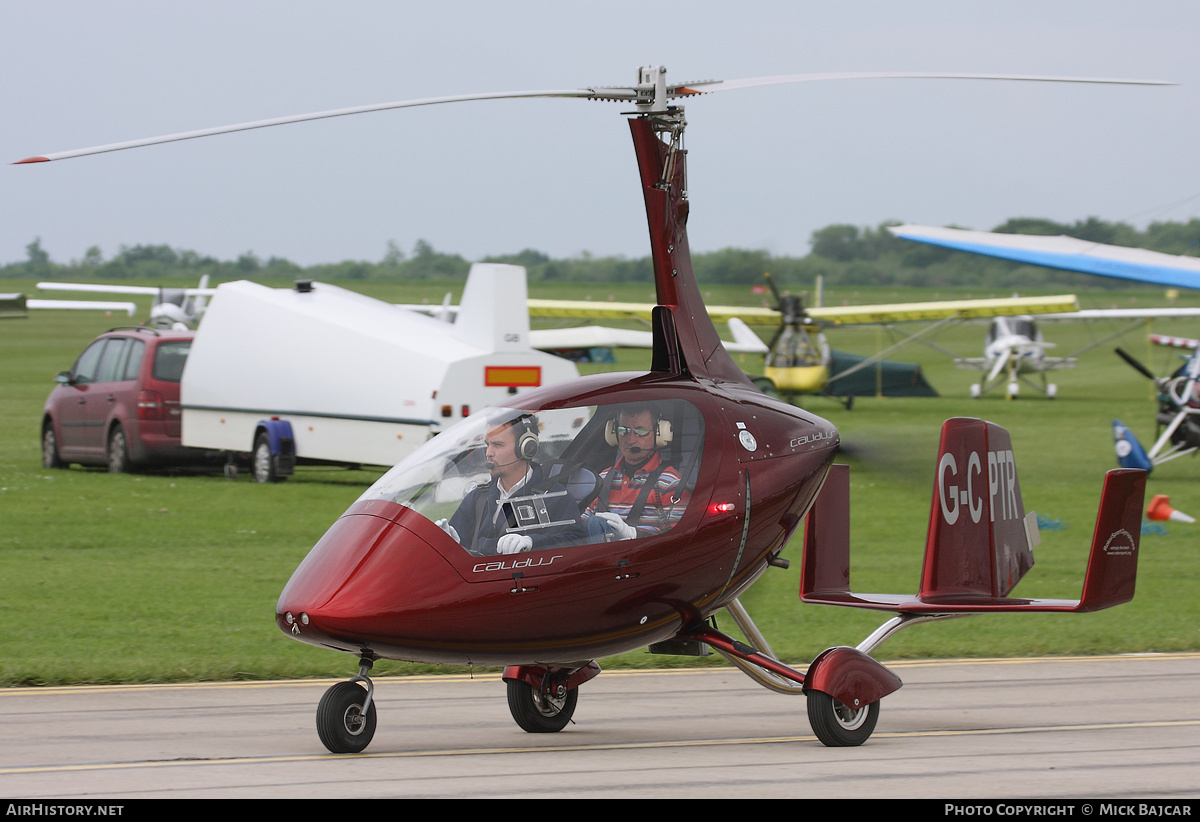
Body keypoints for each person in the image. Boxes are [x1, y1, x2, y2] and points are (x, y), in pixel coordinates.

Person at [436, 415, 582, 556]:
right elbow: (457, 548)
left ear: (526, 448)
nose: (488, 453)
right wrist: (447, 542)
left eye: (497, 445)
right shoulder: (478, 497)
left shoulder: (554, 497)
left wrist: (533, 543)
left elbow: (576, 542)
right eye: (488, 445)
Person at [583, 404, 688, 542]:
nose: (630, 440)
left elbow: (678, 540)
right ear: (613, 434)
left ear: (659, 433)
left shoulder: (671, 483)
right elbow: (581, 530)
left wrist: (633, 535)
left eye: (641, 431)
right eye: (623, 430)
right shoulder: (602, 479)